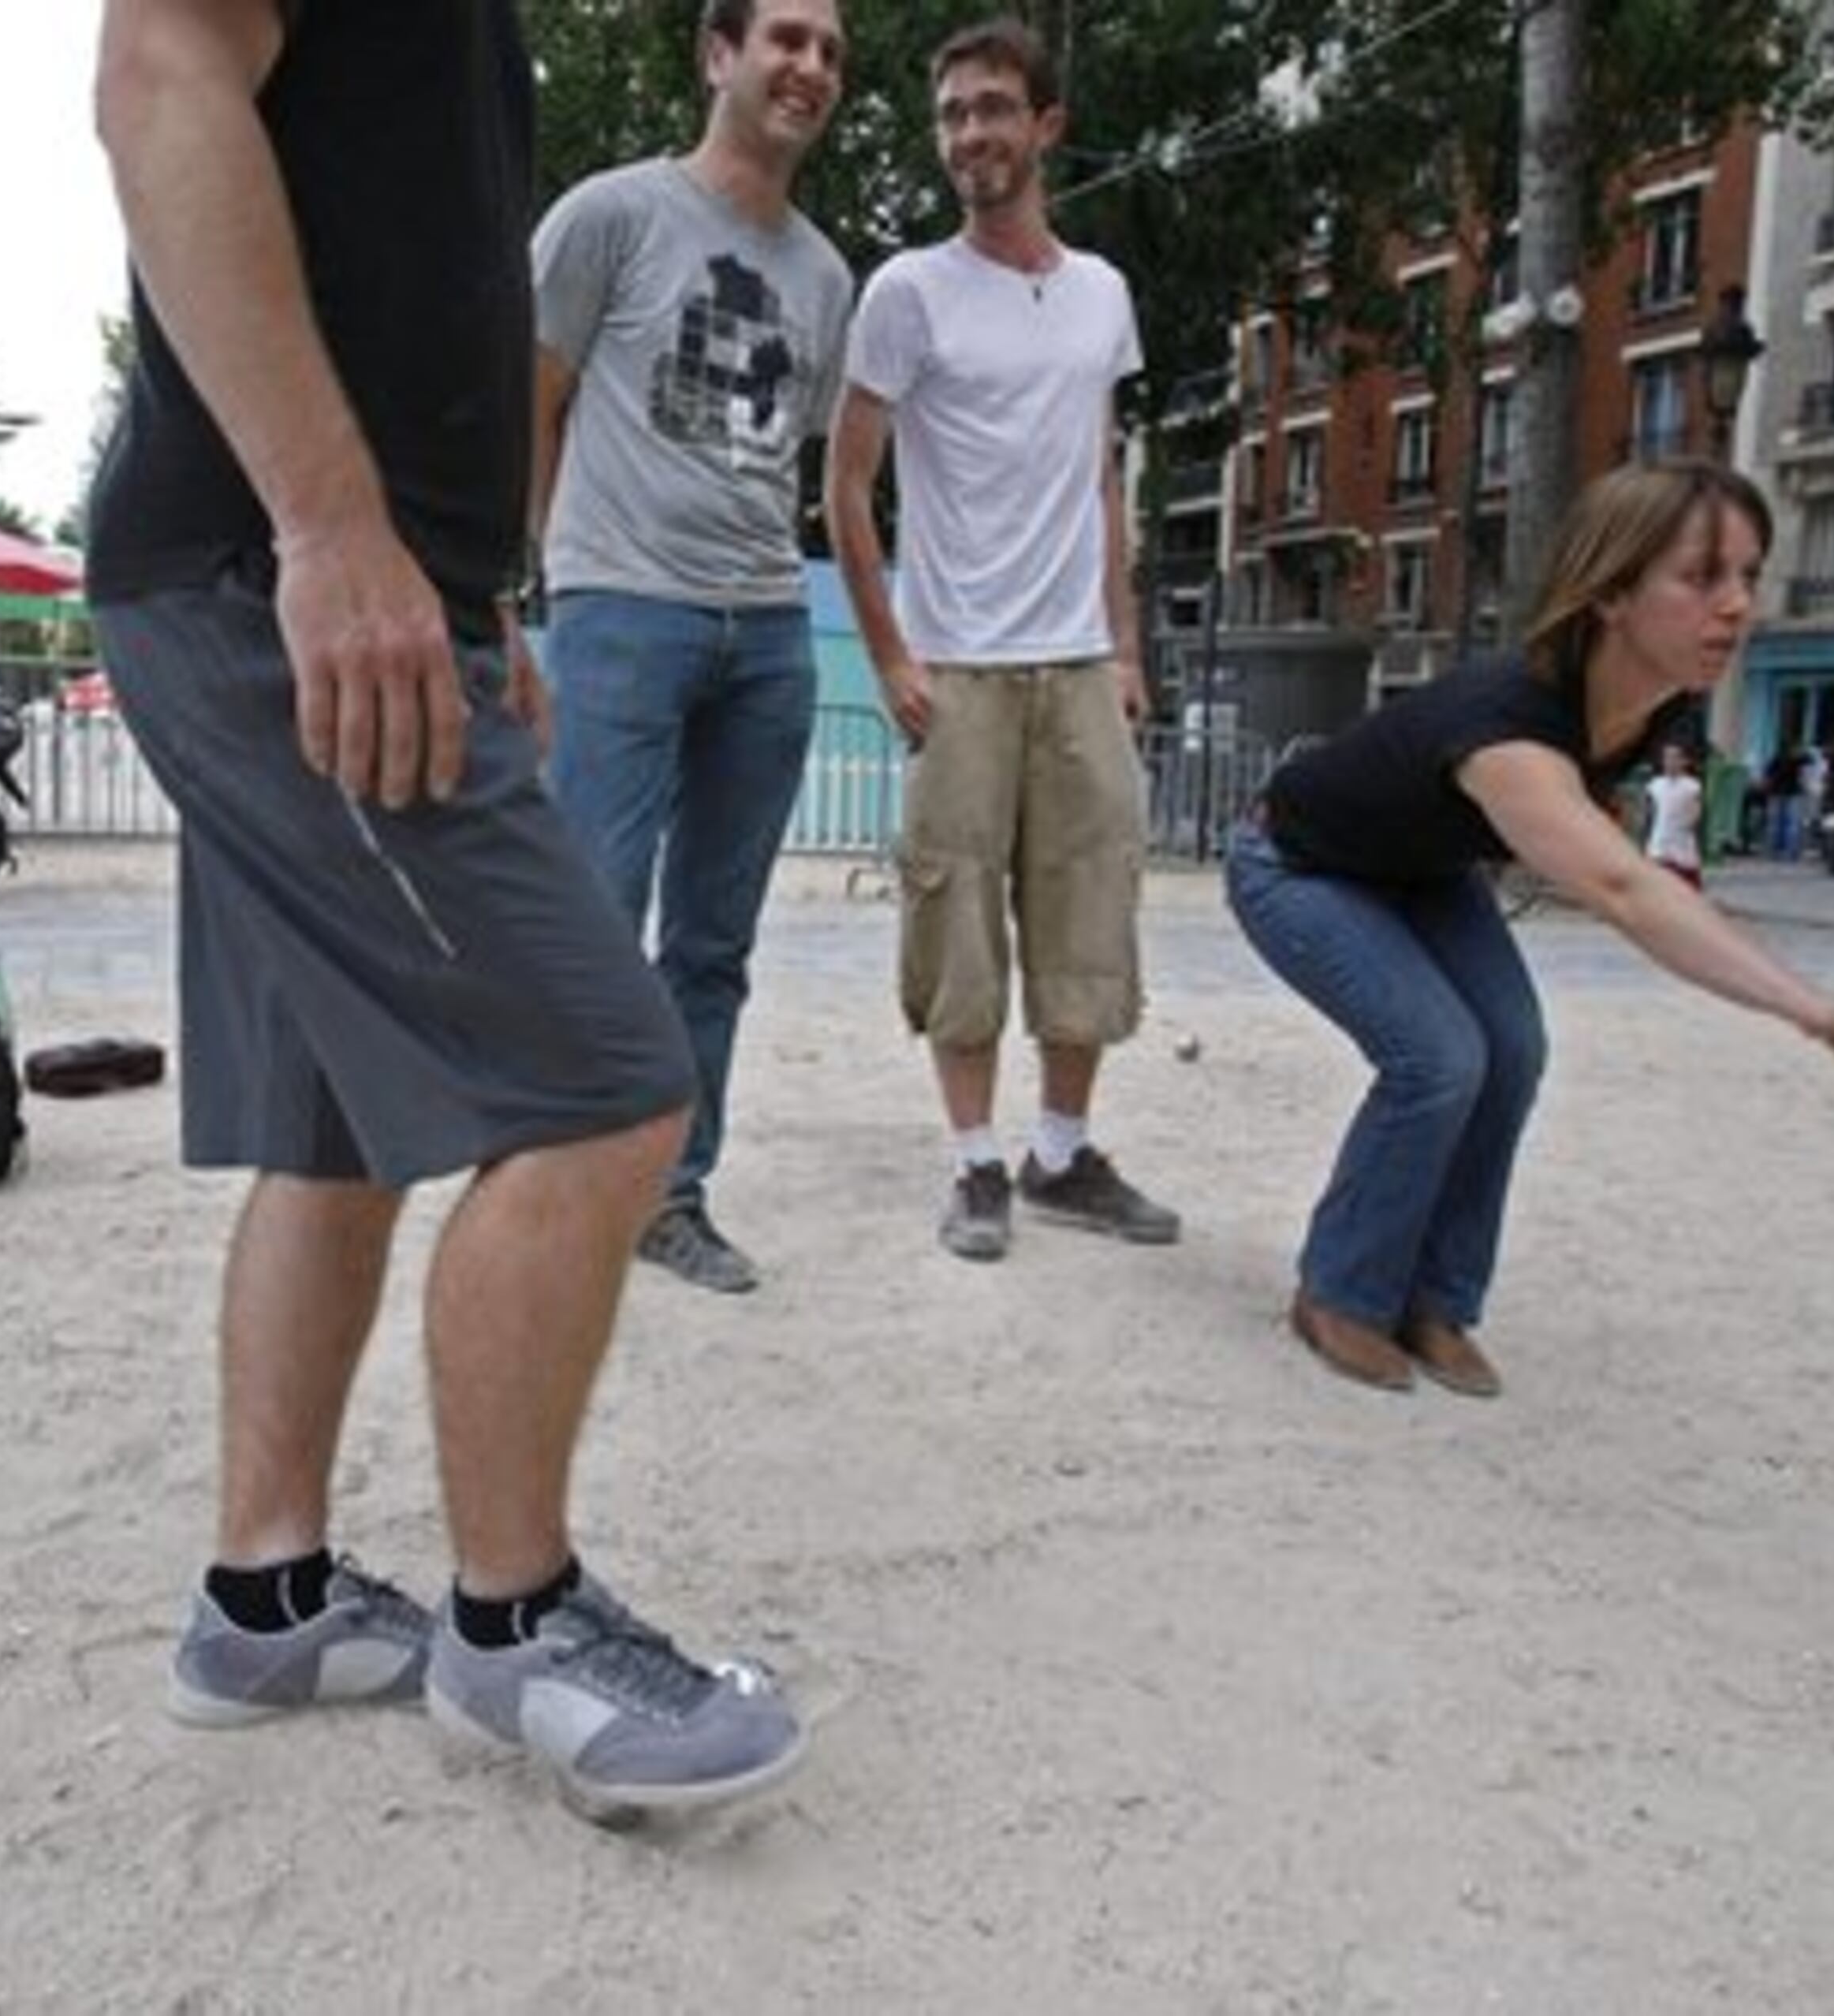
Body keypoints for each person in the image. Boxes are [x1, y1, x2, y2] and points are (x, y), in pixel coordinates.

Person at [86, 0, 804, 1819]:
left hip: (328, 580)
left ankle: (262, 1600)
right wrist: (330, 529)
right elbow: (157, 76)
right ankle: (517, 1624)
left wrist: (478, 593)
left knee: (334, 1125)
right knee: (608, 1083)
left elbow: (400, 268)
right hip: (282, 577)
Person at [1223, 461, 1834, 1399]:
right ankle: (1341, 1290)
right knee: (1440, 1056)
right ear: (1612, 590)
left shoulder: (1652, 704)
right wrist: (1817, 1008)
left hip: (1419, 871)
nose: (1738, 605)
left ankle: (1436, 1300)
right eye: (1703, 578)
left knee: (1516, 1048)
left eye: (1749, 575)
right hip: (1295, 865)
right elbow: (1625, 887)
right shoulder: (1508, 727)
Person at [824, 17, 1179, 1265]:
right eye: (952, 114)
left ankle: (1063, 1154)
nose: (971, 133)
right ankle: (977, 1165)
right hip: (958, 664)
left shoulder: (1101, 297)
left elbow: (1103, 482)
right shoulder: (908, 291)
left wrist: (1128, 651)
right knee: (956, 915)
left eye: (992, 108)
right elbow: (847, 483)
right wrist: (889, 656)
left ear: (1046, 127)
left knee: (1089, 908)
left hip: (1080, 660)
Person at [530, 0, 855, 1296]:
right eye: (786, 37)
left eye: (832, 51)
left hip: (768, 631)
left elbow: (788, 453)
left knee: (712, 945)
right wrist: (549, 579)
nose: (811, 66)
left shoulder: (829, 277)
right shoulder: (610, 215)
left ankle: (672, 1193)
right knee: (598, 918)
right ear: (719, 55)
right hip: (621, 607)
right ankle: (563, 1185)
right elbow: (530, 399)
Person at [1642, 740, 1705, 890]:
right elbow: (1649, 812)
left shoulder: (1691, 786)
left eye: (1675, 758)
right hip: (1659, 844)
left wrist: (1691, 821)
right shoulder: (1655, 785)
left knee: (1686, 889)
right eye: (1667, 758)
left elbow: (1696, 811)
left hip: (1681, 845)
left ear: (1684, 761)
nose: (1670, 762)